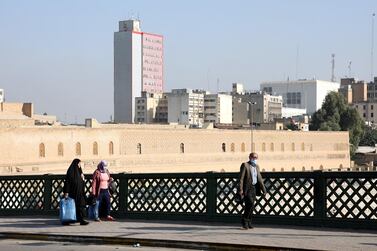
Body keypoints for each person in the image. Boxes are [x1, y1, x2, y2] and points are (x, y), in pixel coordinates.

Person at [238, 152, 266, 229]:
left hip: (254, 188)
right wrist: (240, 190)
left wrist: (264, 190)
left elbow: (260, 179)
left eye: (256, 158)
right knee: (249, 204)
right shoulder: (245, 165)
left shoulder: (257, 166)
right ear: (250, 157)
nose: (254, 159)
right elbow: (241, 178)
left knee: (252, 206)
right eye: (253, 157)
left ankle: (249, 222)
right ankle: (244, 221)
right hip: (247, 188)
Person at [63, 158, 89, 225]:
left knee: (81, 206)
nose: (80, 165)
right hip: (73, 193)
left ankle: (81, 220)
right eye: (79, 163)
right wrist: (66, 192)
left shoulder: (80, 172)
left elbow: (82, 183)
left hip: (80, 193)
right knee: (71, 207)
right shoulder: (71, 171)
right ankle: (69, 219)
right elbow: (67, 182)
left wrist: (83, 179)